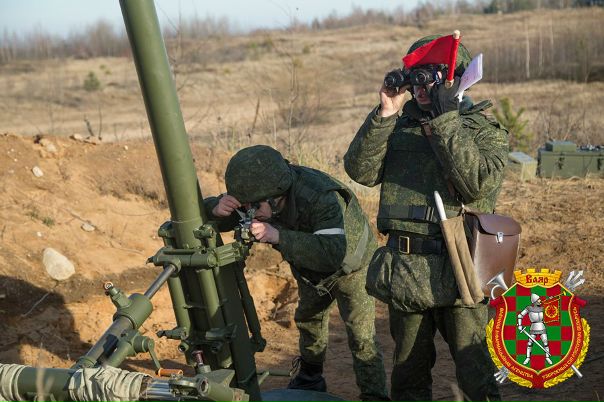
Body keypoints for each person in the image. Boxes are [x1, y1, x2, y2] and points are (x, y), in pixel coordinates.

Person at [344, 35, 508, 402]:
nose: (419, 88)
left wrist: (446, 119)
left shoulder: (483, 132)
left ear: (456, 81)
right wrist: (386, 113)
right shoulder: (399, 126)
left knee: (476, 376)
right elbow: (360, 171)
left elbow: (474, 185)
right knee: (408, 380)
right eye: (414, 76)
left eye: (430, 77)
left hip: (460, 268)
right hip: (406, 269)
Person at [204, 145, 390, 402]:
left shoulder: (321, 197)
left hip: (352, 267)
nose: (248, 212)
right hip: (310, 268)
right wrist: (215, 209)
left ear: (276, 197)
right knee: (309, 320)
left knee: (361, 336)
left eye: (252, 207)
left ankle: (374, 395)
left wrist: (277, 236)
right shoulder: (260, 191)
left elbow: (332, 253)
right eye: (242, 206)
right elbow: (215, 214)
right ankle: (310, 379)